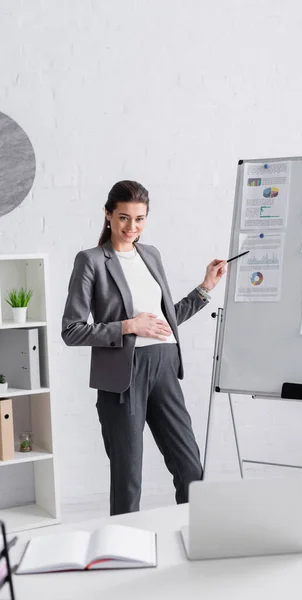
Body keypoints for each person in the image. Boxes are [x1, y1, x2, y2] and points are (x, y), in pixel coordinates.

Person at [61, 180, 226, 515]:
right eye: (123, 218)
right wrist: (128, 326)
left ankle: (199, 535)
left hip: (164, 366)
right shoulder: (91, 260)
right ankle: (123, 553)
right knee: (128, 476)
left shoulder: (150, 255)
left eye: (139, 219)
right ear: (108, 215)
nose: (131, 227)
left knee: (190, 465)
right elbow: (71, 330)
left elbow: (168, 319)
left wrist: (205, 287)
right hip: (125, 375)